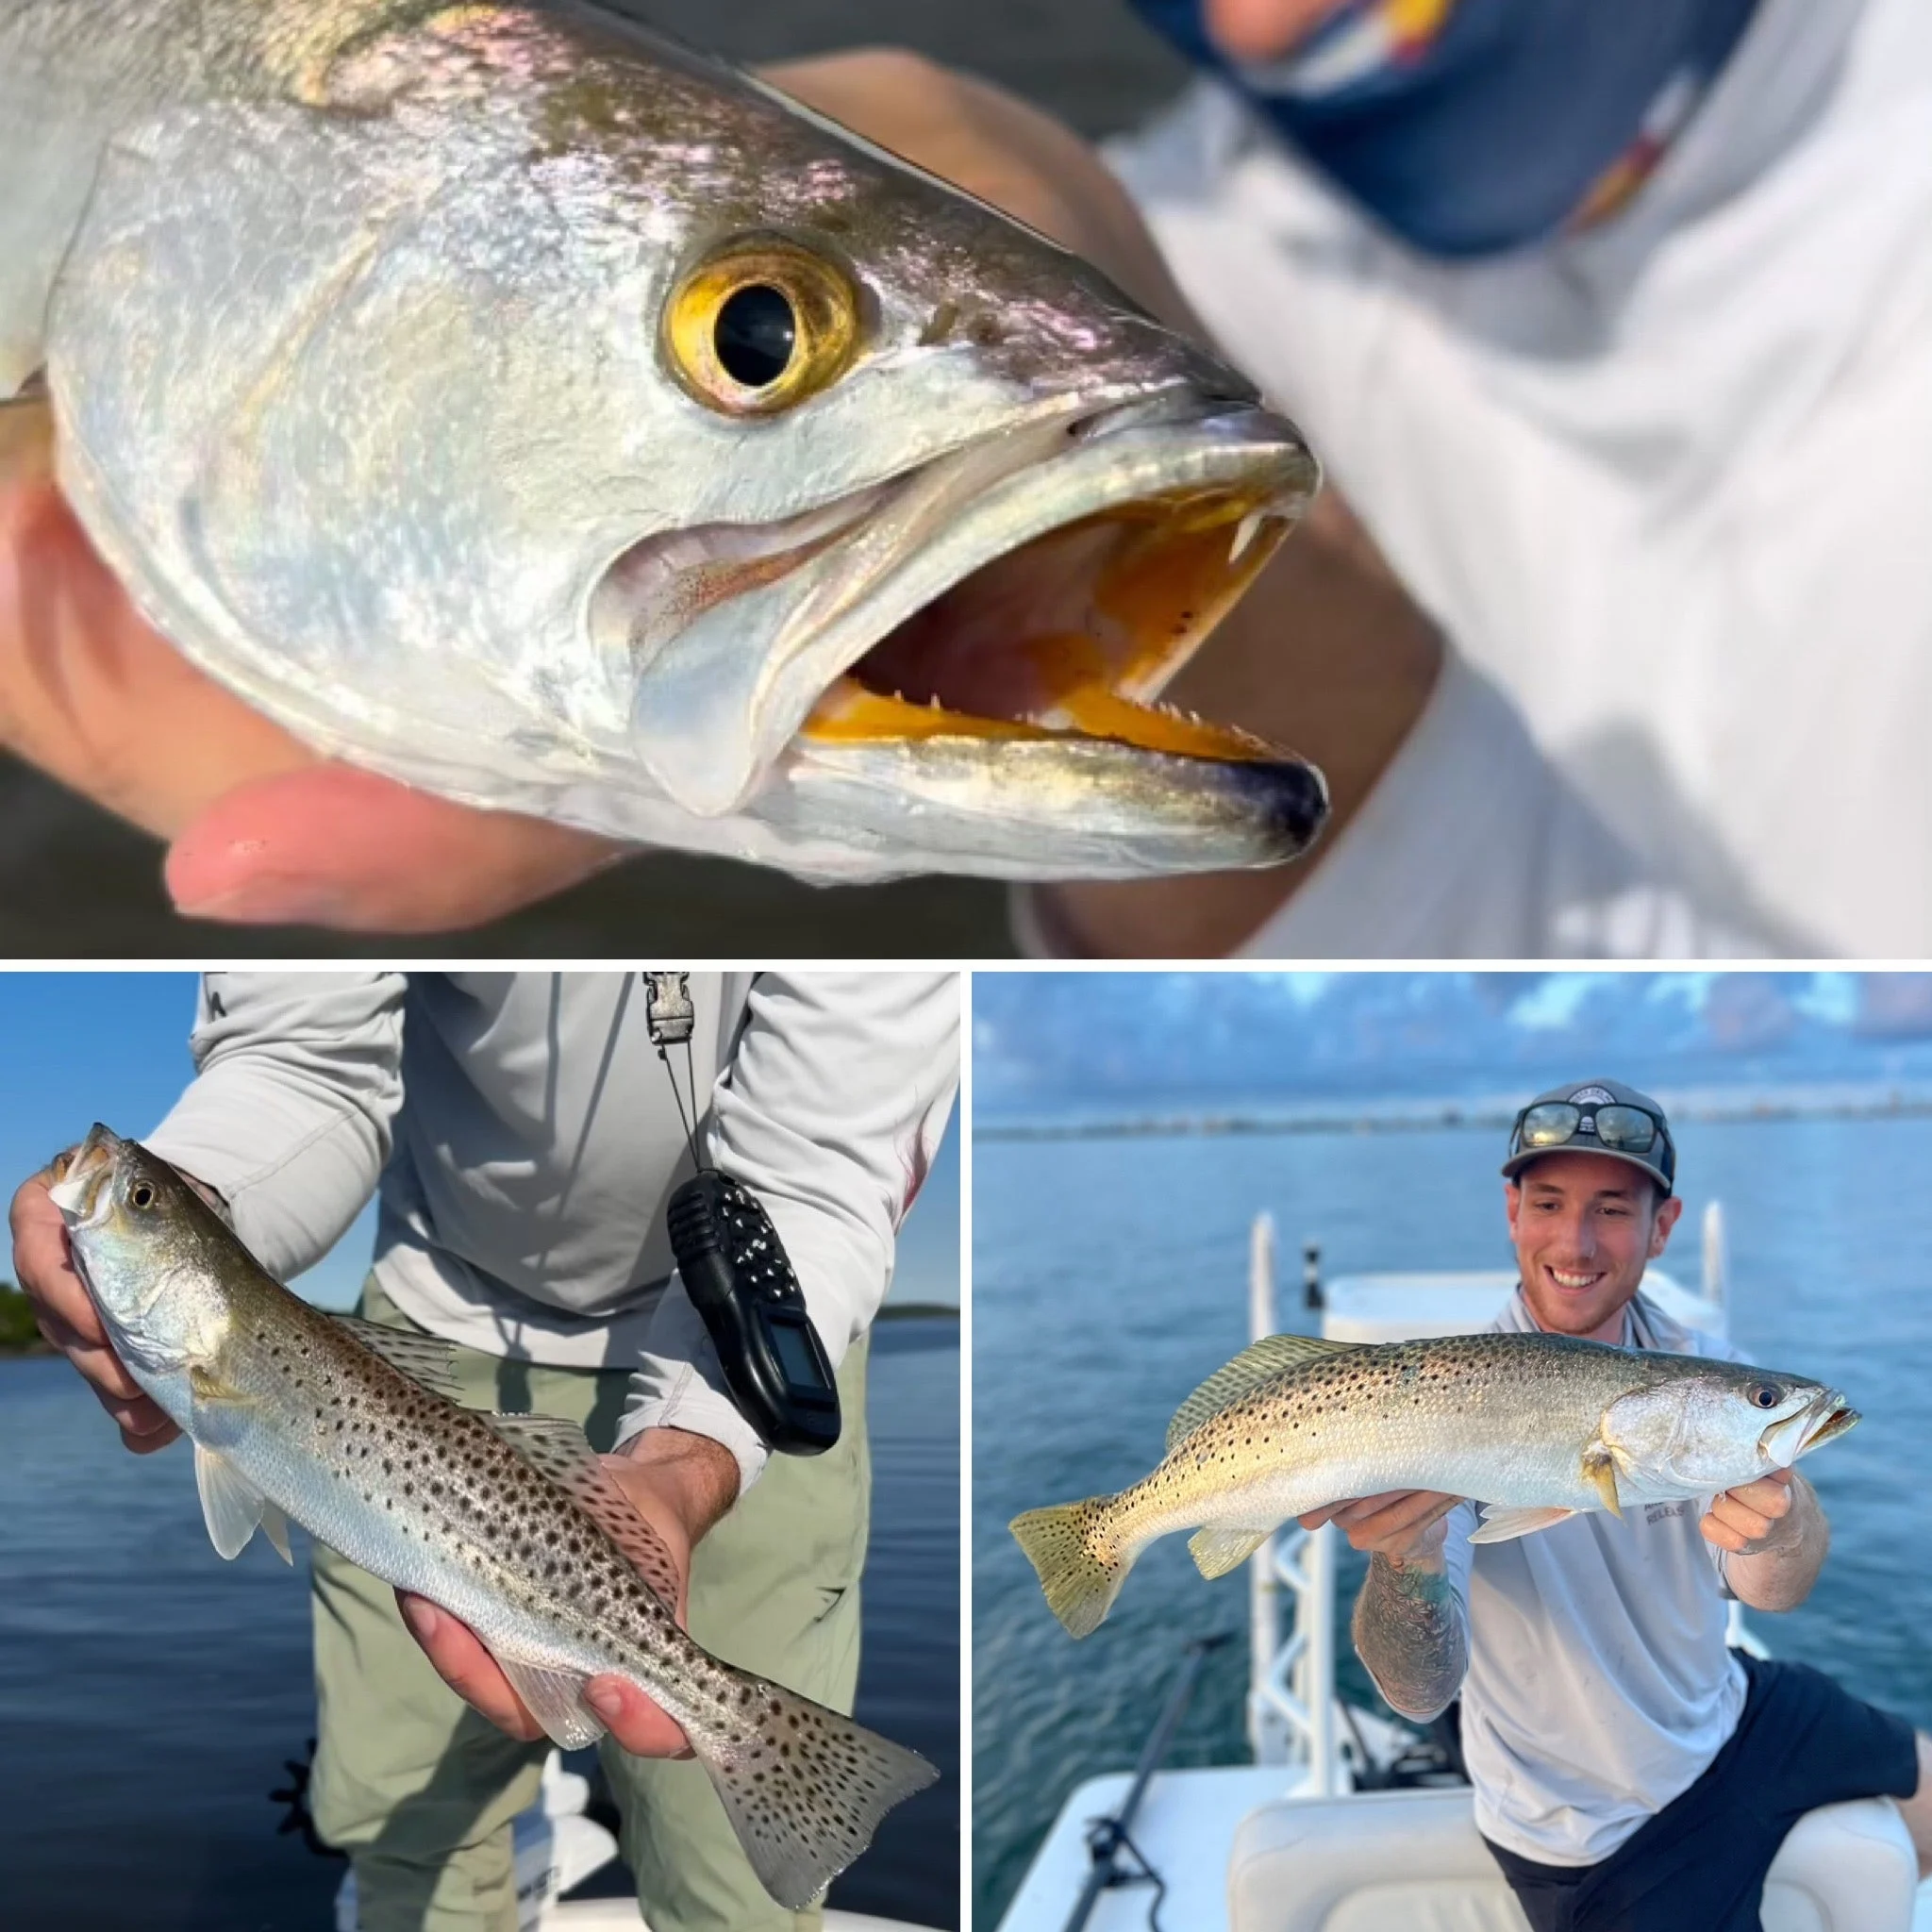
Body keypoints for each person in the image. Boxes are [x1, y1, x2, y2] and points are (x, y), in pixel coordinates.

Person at [8, 969, 958, 1932]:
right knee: (403, 1829)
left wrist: (690, 1451)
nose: (108, 1187)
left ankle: (767, 1758)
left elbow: (825, 1159)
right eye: (139, 1198)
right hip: (436, 1312)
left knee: (733, 1893)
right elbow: (305, 1053)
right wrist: (198, 1182)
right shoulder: (209, 1337)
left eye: (133, 1197)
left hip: (750, 1351)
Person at [1299, 1077, 1932, 1931]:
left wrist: (1791, 1524)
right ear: (1512, 1211)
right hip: (1584, 1828)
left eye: (1613, 1208)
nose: (1577, 1239)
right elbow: (1418, 1692)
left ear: (1661, 1227)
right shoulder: (1442, 1404)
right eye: (1551, 1201)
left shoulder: (1705, 1367)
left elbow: (1775, 1590)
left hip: (1725, 1713)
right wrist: (1405, 1560)